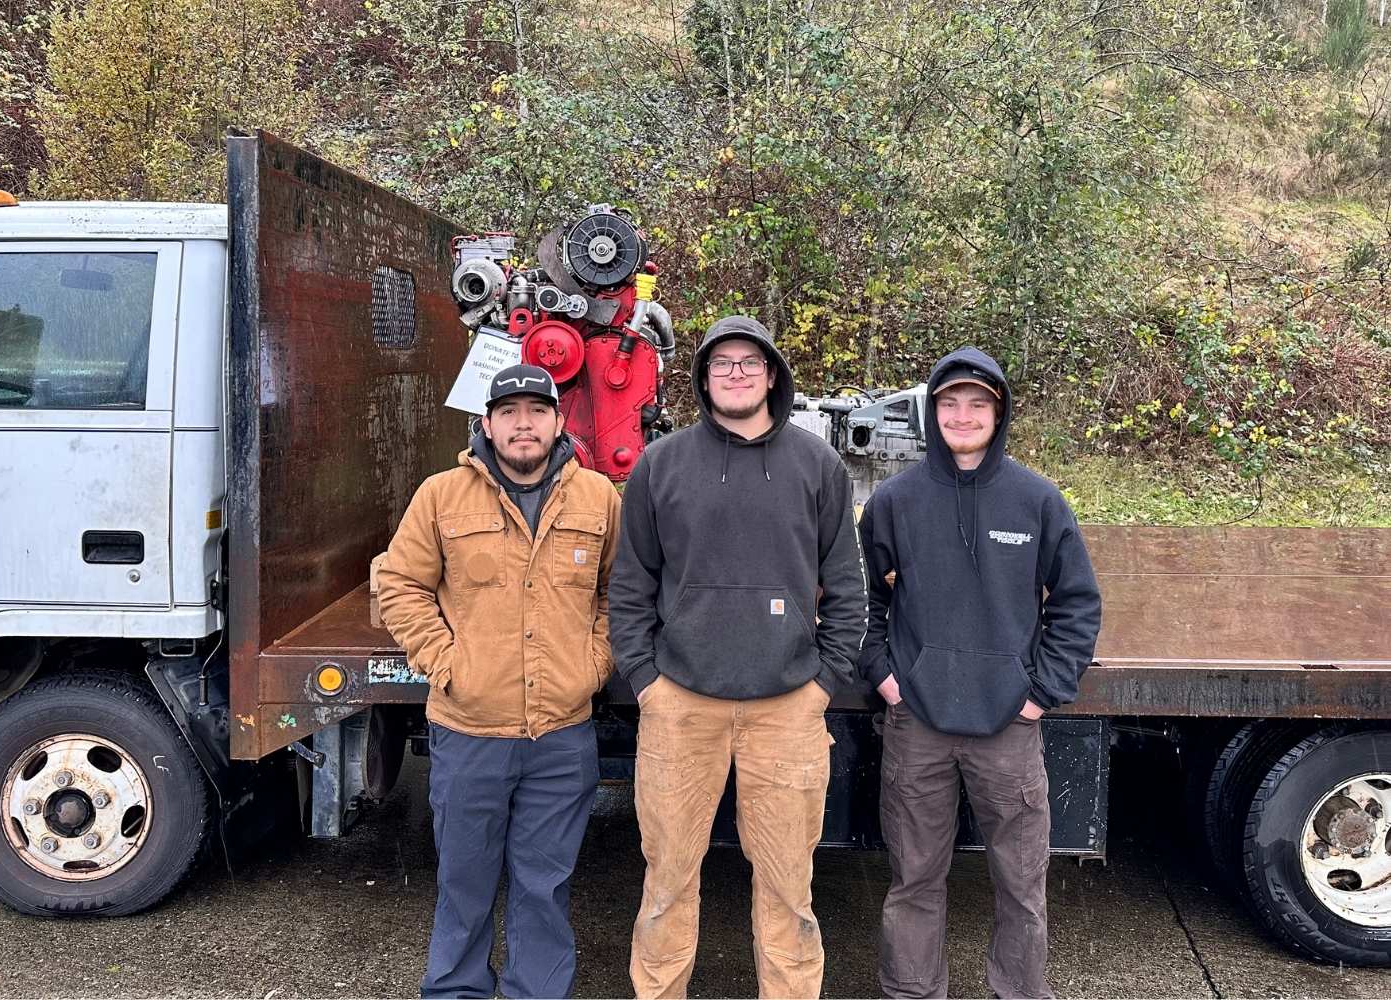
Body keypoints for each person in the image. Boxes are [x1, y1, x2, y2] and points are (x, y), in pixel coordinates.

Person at [609, 315, 868, 999]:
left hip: (786, 710)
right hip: (680, 708)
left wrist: (819, 689)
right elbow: (629, 587)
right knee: (666, 882)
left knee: (788, 888)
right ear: (702, 377)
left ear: (773, 375)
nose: (735, 373)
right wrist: (646, 682)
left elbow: (847, 587)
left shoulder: (817, 466)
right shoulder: (661, 467)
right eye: (721, 362)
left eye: (749, 362)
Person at [858, 346, 1102, 999]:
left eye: (978, 404)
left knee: (1022, 887)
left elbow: (1077, 603)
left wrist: (1040, 692)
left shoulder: (1036, 500)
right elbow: (860, 598)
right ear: (932, 411)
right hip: (918, 728)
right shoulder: (895, 500)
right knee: (914, 882)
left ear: (999, 414)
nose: (963, 416)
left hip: (1008, 730)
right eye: (950, 403)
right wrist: (886, 677)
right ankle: (912, 992)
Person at [377, 363, 622, 999]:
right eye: (508, 412)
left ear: (559, 420)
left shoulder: (598, 498)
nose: (523, 424)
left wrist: (594, 664)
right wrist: (443, 658)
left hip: (562, 737)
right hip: (469, 730)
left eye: (536, 411)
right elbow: (400, 584)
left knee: (544, 885)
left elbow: (619, 594)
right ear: (487, 423)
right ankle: (457, 990)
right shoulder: (441, 496)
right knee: (465, 881)